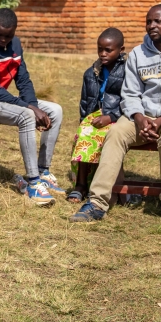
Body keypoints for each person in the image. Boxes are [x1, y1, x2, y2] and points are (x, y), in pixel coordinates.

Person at [71, 4, 161, 224]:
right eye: (148, 21)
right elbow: (130, 94)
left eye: (157, 21)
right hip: (142, 117)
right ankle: (97, 202)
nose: (151, 26)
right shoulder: (138, 54)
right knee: (115, 134)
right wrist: (139, 117)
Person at [0, 8, 65, 206]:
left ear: (15, 31)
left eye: (8, 36)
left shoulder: (15, 45)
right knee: (26, 115)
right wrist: (31, 110)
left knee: (56, 110)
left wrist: (34, 105)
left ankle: (43, 171)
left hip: (0, 98)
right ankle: (33, 183)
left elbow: (23, 80)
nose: (3, 40)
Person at [70, 27, 127, 204]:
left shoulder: (127, 72)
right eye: (100, 49)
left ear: (120, 50)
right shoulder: (91, 73)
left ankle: (102, 185)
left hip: (117, 116)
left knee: (104, 136)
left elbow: (130, 102)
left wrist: (111, 117)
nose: (103, 54)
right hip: (95, 115)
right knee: (85, 132)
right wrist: (83, 122)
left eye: (108, 50)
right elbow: (85, 102)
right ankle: (80, 184)